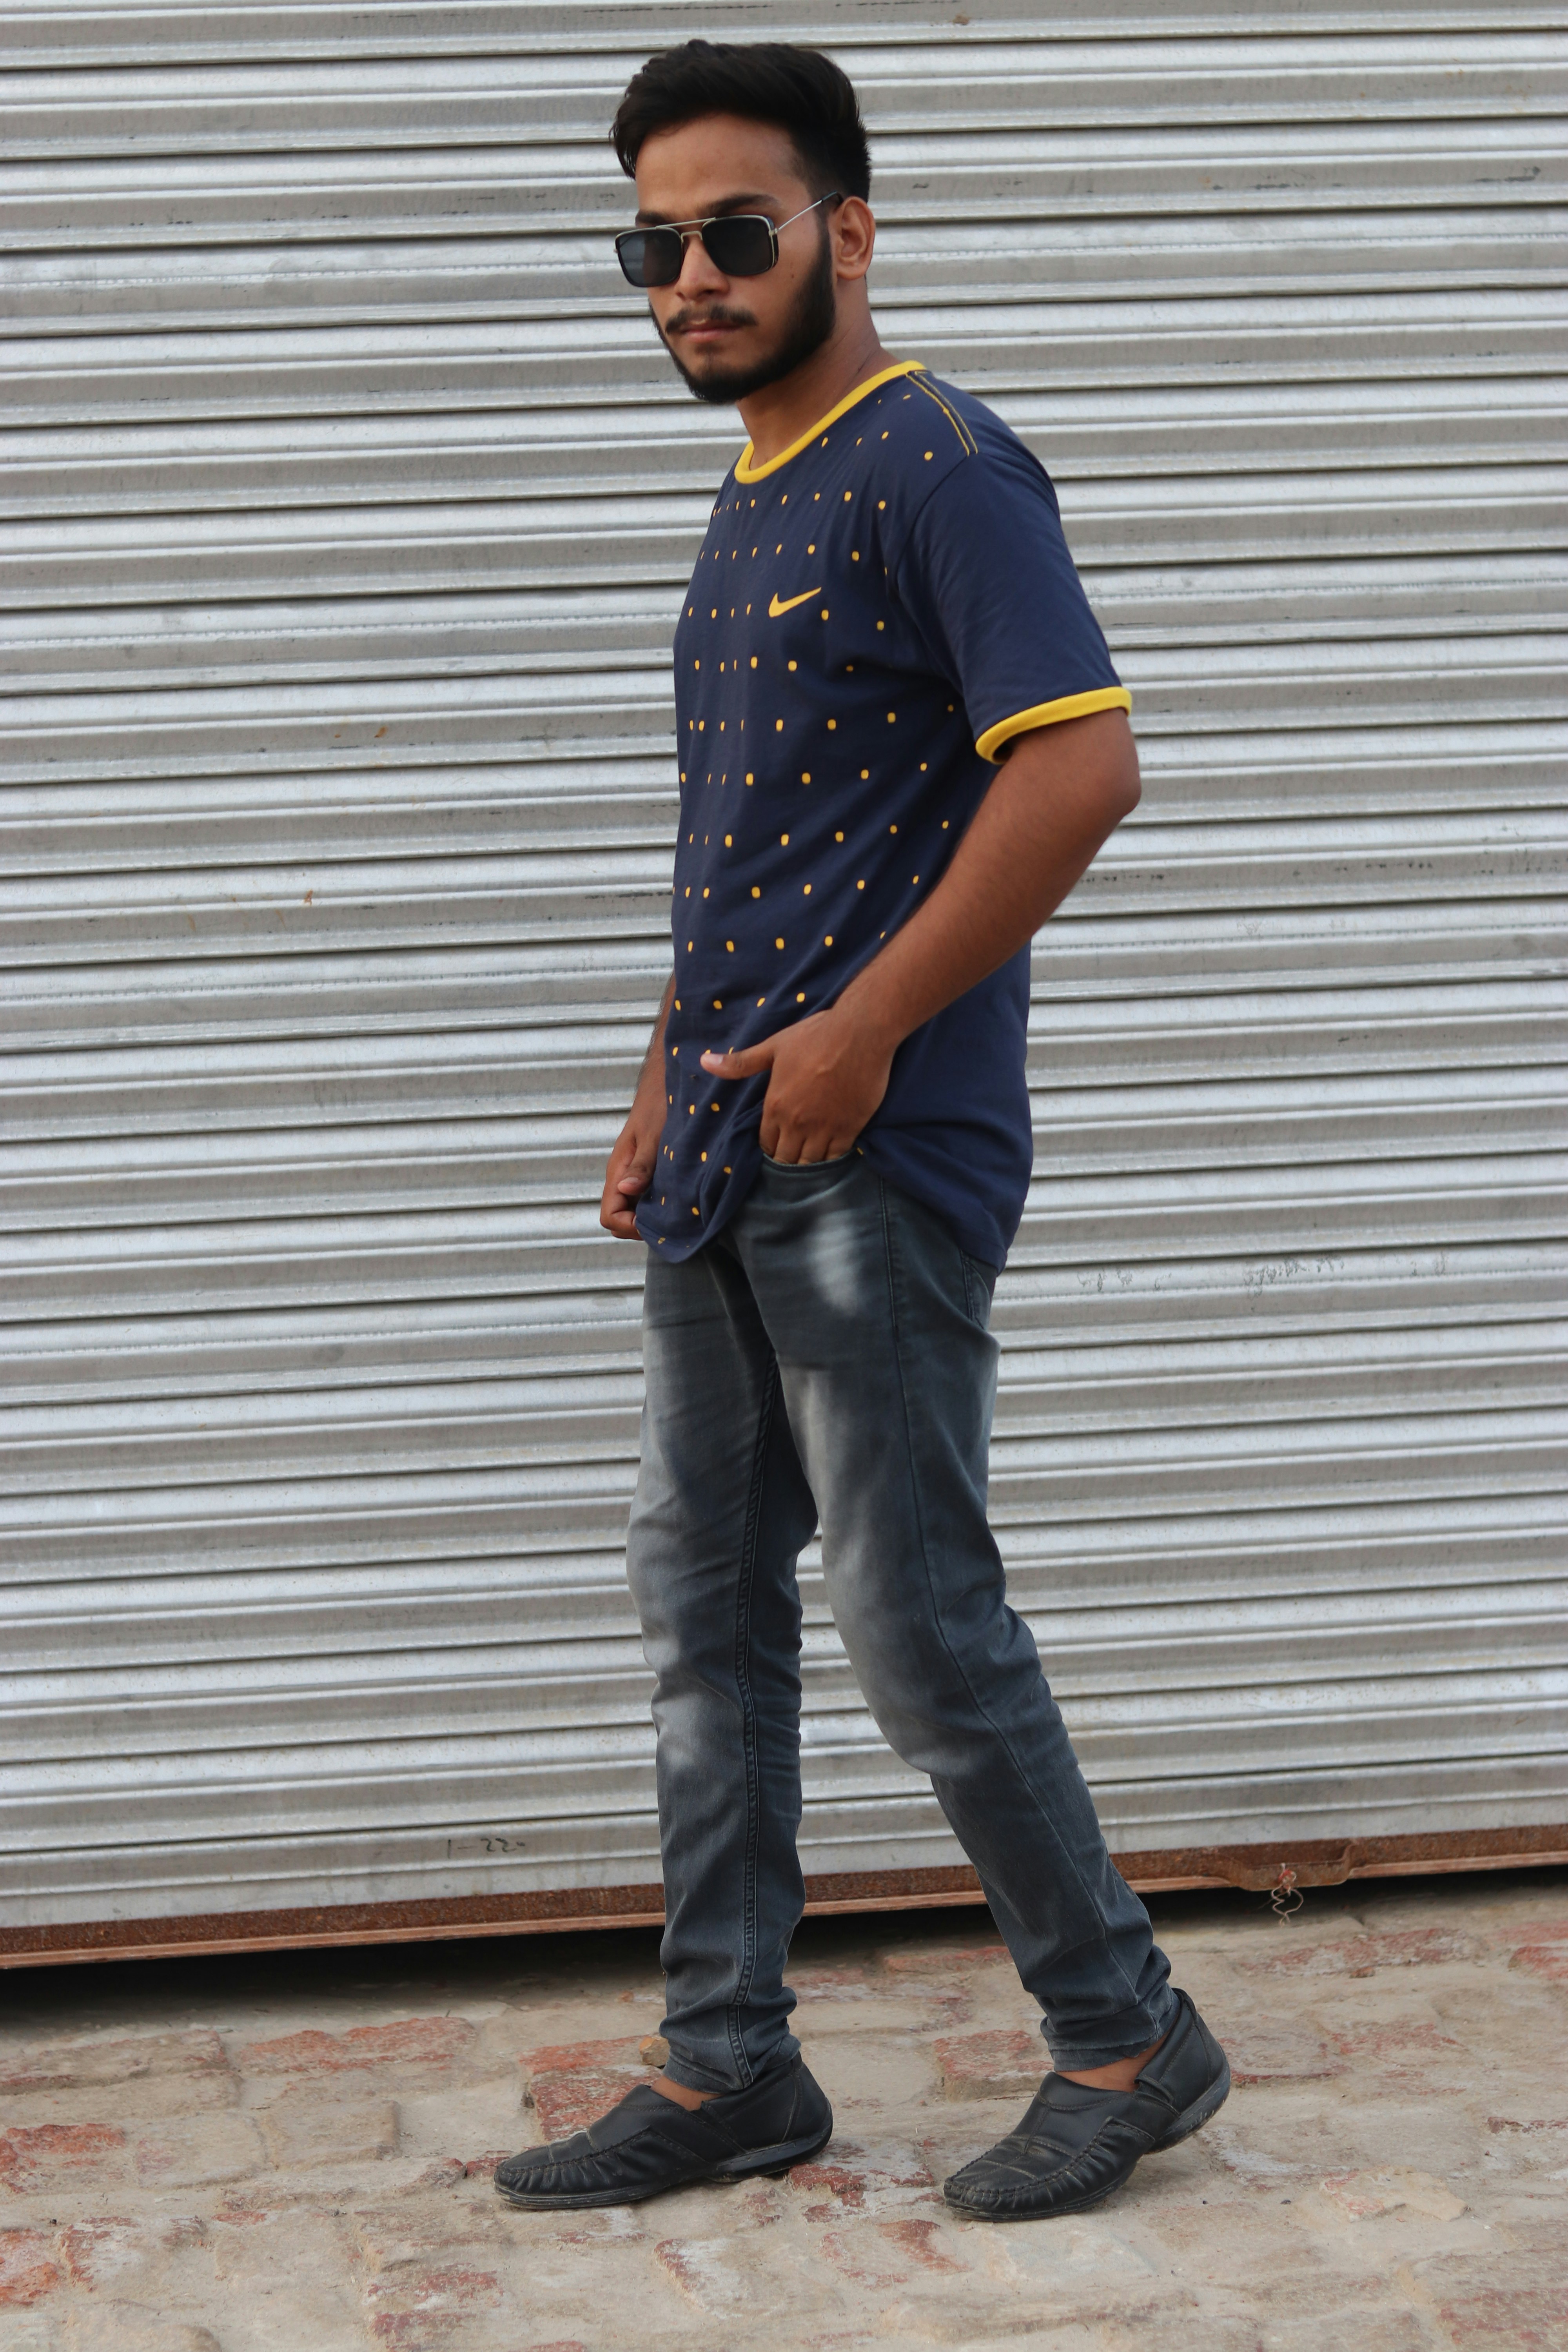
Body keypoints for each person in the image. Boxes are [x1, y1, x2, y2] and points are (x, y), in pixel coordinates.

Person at [495, 38, 1229, 2224]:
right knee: (701, 1616)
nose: (692, 279)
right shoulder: (752, 494)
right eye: (655, 245)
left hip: (870, 1166)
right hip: (729, 1153)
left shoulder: (938, 471)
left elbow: (1082, 768)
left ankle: (1128, 2033)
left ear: (850, 227)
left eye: (737, 230)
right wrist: (663, 1066)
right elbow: (751, 844)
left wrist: (865, 1035)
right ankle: (731, 2070)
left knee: (915, 1616)